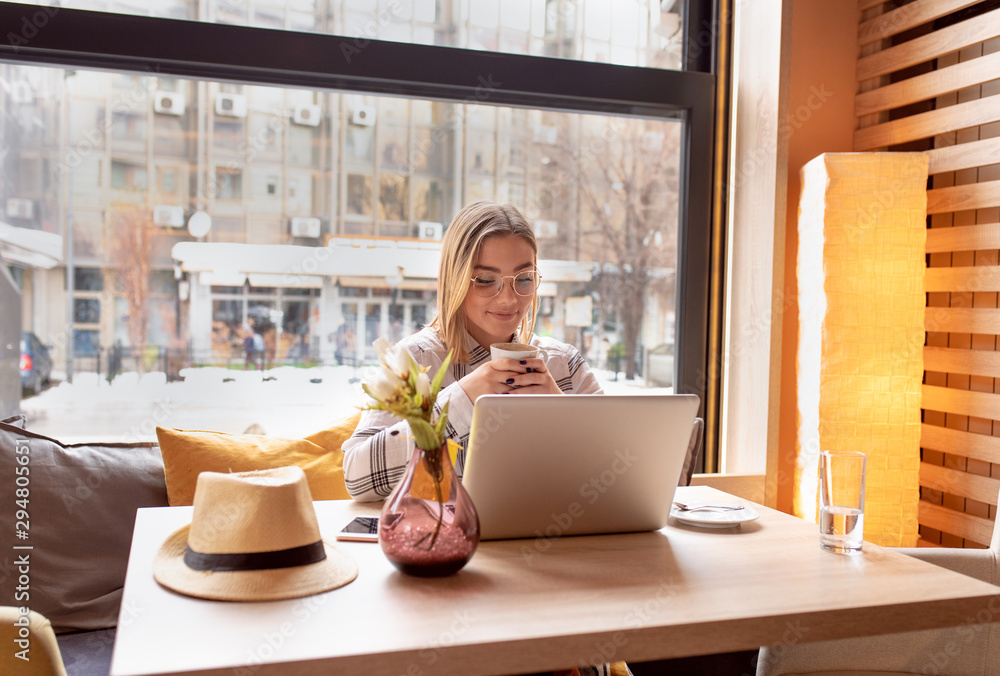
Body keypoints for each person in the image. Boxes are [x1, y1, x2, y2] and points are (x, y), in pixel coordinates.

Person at [343, 200, 602, 501]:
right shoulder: (417, 360)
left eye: (524, 279)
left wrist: (561, 411)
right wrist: (463, 399)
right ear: (455, 280)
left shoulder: (564, 364)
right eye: (485, 280)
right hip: (455, 544)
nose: (508, 299)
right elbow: (356, 478)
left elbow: (621, 468)